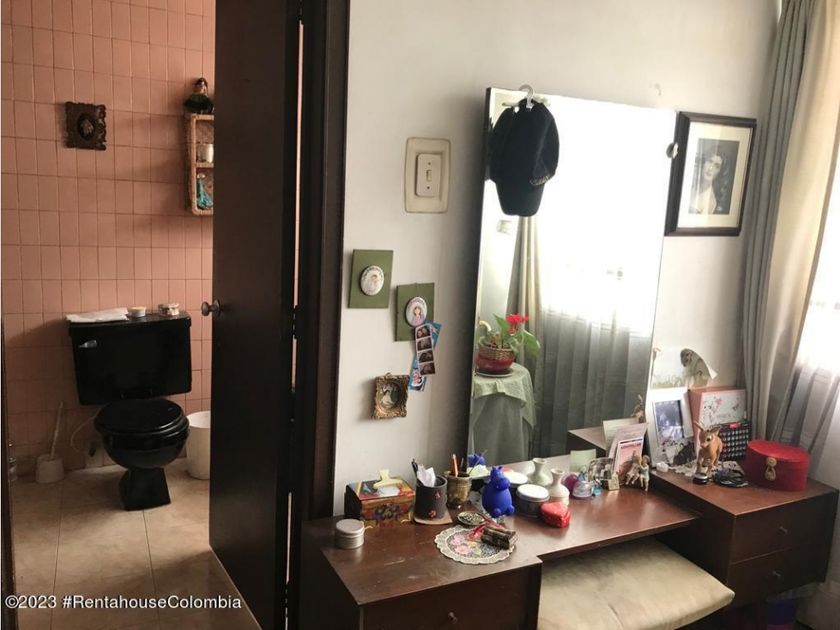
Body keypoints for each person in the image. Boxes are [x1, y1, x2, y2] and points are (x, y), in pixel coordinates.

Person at [688, 151, 729, 215]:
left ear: (720, 172)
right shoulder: (689, 181)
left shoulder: (711, 201)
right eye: (710, 161)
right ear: (704, 162)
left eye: (717, 166)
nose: (711, 168)